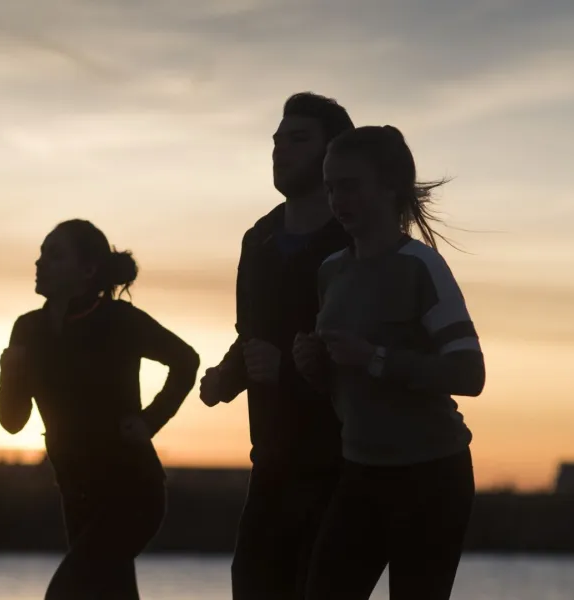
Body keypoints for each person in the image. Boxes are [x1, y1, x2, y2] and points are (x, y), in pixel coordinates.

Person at [295, 125, 485, 600]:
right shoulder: (331, 271)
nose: (339, 199)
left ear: (391, 187)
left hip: (433, 477)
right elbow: (344, 386)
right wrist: (314, 364)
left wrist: (375, 358)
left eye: (351, 185)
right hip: (360, 473)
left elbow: (470, 373)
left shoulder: (422, 266)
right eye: (331, 186)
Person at [199, 92, 354, 599]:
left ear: (334, 153)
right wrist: (227, 376)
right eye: (276, 141)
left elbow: (374, 346)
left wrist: (287, 367)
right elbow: (253, 336)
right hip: (269, 460)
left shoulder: (355, 239)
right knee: (250, 585)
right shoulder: (258, 238)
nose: (280, 150)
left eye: (298, 139)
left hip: (344, 465)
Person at [0, 219, 200, 599]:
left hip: (134, 493)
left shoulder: (119, 320)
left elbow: (185, 360)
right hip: (76, 496)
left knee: (64, 594)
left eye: (54, 255)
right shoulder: (27, 329)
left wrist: (150, 421)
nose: (40, 263)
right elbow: (12, 421)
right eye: (40, 254)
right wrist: (10, 373)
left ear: (89, 270)